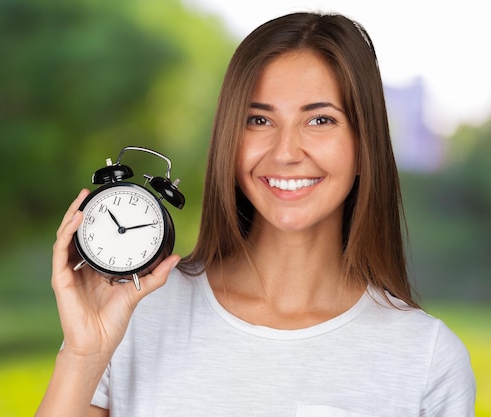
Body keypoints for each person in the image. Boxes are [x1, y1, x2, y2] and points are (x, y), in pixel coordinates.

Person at [35, 11, 476, 417]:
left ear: (365, 146)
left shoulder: (427, 359)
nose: (285, 152)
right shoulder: (135, 315)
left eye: (319, 120)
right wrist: (83, 356)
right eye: (259, 121)